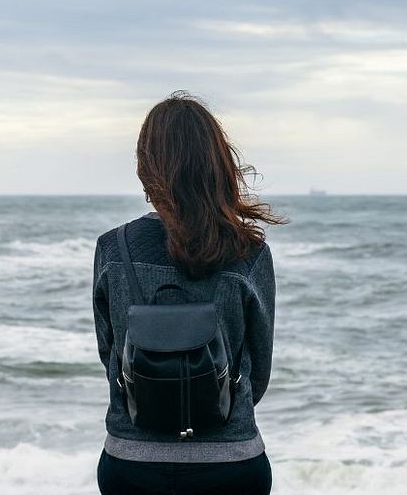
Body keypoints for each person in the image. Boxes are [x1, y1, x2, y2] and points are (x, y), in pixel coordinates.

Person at [92, 91, 286, 494]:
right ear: (216, 163)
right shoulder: (249, 252)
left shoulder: (115, 248)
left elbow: (112, 357)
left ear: (147, 167)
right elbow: (259, 371)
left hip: (132, 460)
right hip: (231, 461)